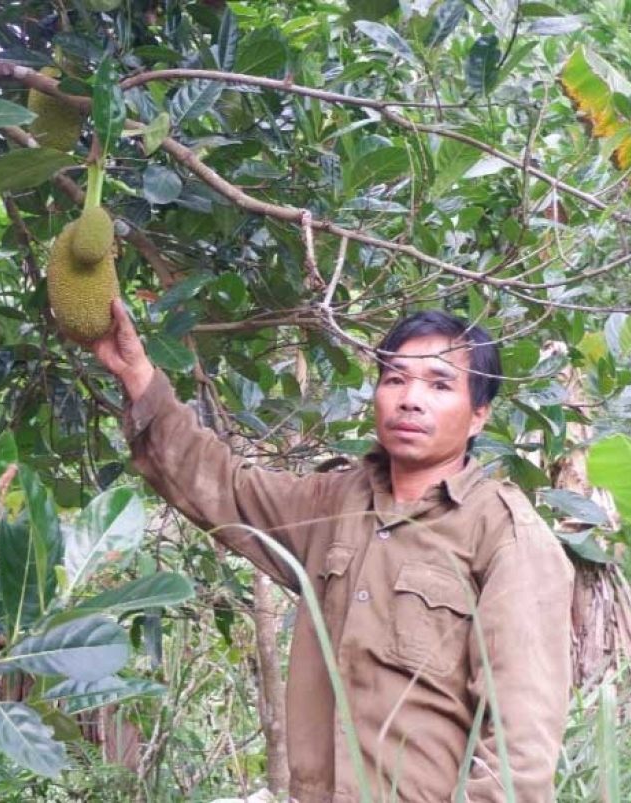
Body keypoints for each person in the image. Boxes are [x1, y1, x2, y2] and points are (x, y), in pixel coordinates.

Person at [87, 298, 574, 803]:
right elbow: (224, 489)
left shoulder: (504, 533)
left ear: (478, 415)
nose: (411, 399)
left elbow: (521, 744)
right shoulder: (336, 503)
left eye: (439, 384)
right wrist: (137, 373)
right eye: (395, 380)